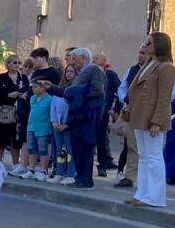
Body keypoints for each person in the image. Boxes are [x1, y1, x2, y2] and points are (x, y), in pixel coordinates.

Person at [125, 32, 174, 208]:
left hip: (152, 117)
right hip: (140, 114)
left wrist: (157, 122)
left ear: (159, 45)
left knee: (154, 157)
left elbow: (164, 97)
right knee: (144, 156)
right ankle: (142, 194)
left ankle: (155, 197)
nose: (146, 45)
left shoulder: (166, 67)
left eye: (149, 43)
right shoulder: (149, 63)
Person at [62, 48, 106, 189]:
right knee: (77, 147)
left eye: (74, 57)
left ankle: (86, 180)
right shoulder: (80, 74)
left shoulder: (94, 70)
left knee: (86, 146)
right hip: (78, 116)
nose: (71, 60)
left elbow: (98, 90)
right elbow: (67, 92)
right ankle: (80, 178)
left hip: (88, 115)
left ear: (83, 57)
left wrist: (77, 93)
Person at [115, 45, 146, 188]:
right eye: (139, 52)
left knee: (147, 148)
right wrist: (126, 100)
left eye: (143, 53)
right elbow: (122, 88)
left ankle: (145, 178)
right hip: (132, 111)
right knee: (131, 145)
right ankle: (130, 176)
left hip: (148, 112)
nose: (140, 55)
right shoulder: (132, 70)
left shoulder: (158, 69)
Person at [0, 55, 28, 173]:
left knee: (16, 139)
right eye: (14, 62)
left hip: (19, 112)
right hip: (4, 111)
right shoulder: (1, 77)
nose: (17, 65)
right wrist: (8, 95)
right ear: (8, 64)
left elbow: (28, 91)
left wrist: (20, 95)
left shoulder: (23, 78)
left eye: (19, 62)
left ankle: (16, 165)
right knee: (1, 139)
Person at [22, 75, 53, 181]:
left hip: (43, 128)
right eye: (32, 87)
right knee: (31, 149)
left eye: (35, 87)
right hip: (31, 127)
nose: (33, 89)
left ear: (43, 87)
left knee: (43, 149)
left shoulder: (50, 99)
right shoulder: (32, 98)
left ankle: (43, 170)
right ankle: (31, 169)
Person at [94, 53, 120, 177]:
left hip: (103, 111)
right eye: (93, 58)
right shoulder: (90, 73)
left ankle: (103, 164)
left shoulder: (110, 75)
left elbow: (120, 91)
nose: (93, 60)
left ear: (104, 61)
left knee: (101, 140)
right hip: (91, 111)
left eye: (96, 58)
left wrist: (116, 109)